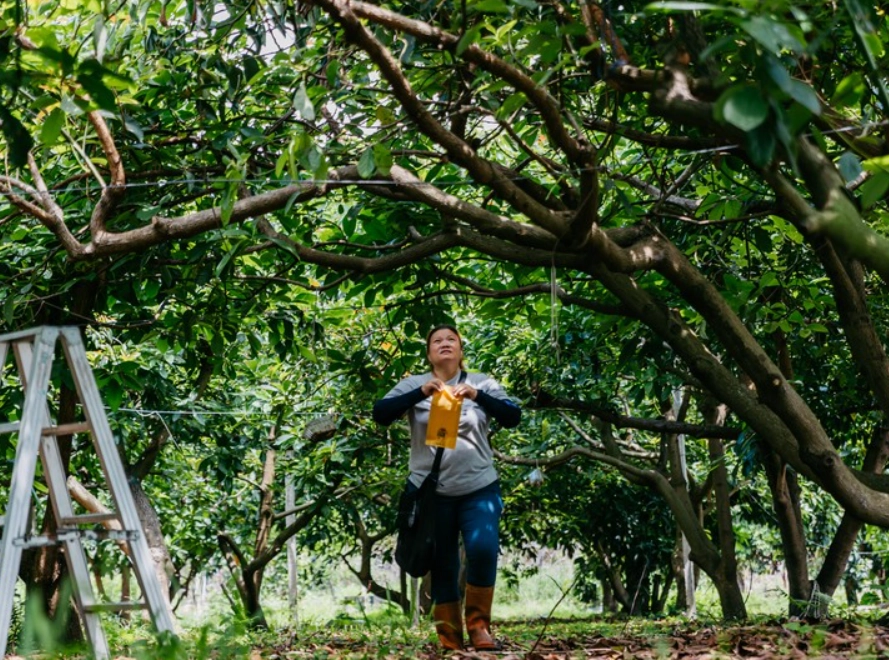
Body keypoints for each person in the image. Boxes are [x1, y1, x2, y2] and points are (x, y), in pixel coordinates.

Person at [373, 324, 521, 651]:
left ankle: (480, 627)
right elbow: (380, 414)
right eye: (437, 341)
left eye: (451, 339)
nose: (444, 344)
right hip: (432, 495)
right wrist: (420, 393)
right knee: (444, 564)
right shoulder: (414, 384)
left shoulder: (481, 381)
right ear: (429, 353)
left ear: (460, 349)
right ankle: (450, 638)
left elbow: (513, 416)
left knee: (482, 549)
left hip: (478, 487)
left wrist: (477, 396)